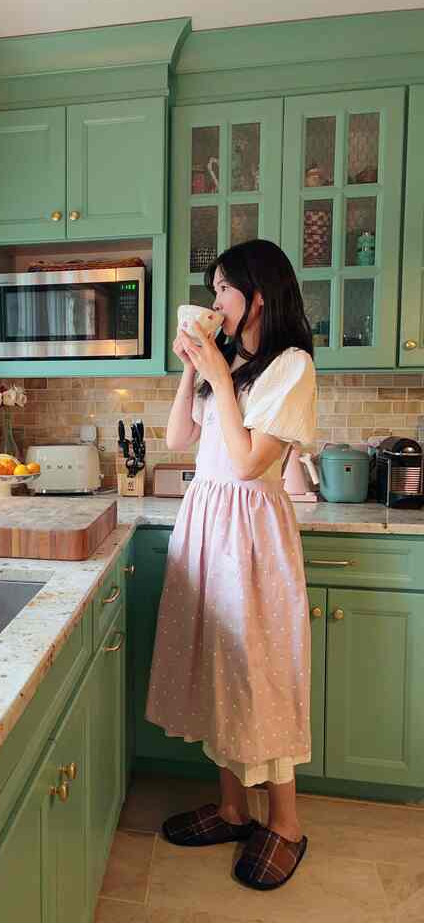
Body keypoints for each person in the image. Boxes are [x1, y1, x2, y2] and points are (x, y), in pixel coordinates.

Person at [145, 238, 317, 890]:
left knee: (259, 673)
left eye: (223, 288)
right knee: (216, 667)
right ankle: (232, 810)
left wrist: (216, 370)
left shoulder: (291, 367)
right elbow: (177, 438)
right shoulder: (231, 364)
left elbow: (248, 463)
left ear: (259, 296)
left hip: (250, 533)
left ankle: (287, 825)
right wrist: (192, 367)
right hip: (206, 522)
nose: (213, 299)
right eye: (211, 289)